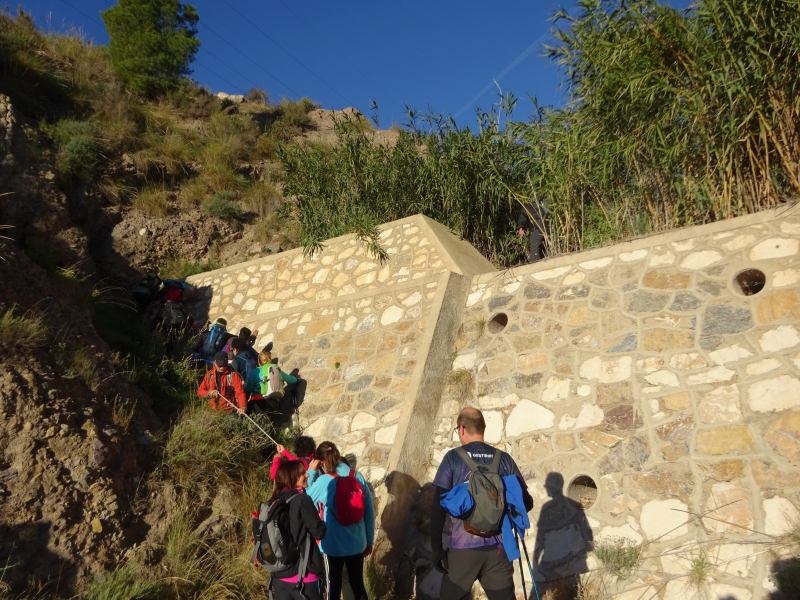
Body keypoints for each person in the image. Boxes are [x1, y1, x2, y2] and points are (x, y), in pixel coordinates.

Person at [431, 407, 534, 600]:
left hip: (463, 550)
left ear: (462, 429)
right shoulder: (504, 459)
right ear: (483, 428)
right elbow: (526, 503)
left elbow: (438, 507)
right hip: (498, 550)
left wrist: (436, 550)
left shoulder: (453, 458)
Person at [306, 441, 374, 600]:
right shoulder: (357, 476)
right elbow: (369, 512)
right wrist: (369, 541)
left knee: (334, 587)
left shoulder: (324, 481)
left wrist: (310, 472)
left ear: (321, 462)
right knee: (358, 584)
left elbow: (305, 500)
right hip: (358, 542)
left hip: (333, 545)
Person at [269, 460, 327, 600]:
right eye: (302, 473)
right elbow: (319, 532)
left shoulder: (274, 501)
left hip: (278, 577)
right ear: (292, 477)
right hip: (303, 577)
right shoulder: (302, 500)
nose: (307, 475)